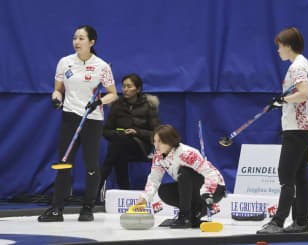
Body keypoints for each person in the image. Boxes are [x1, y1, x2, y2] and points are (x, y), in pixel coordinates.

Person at [38, 25, 118, 222]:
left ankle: (88, 208)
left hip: (91, 119)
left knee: (91, 164)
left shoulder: (102, 66)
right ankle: (57, 209)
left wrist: (99, 102)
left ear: (91, 42)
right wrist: (56, 98)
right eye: (75, 38)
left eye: (81, 38)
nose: (76, 42)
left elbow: (113, 94)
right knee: (64, 163)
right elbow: (57, 89)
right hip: (70, 118)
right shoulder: (65, 63)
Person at [257, 27, 308, 233]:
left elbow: (304, 93)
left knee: (286, 175)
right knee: (299, 176)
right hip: (304, 129)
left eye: (280, 46)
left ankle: (277, 222)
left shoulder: (297, 67)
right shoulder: (303, 64)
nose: (278, 50)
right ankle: (301, 223)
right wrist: (282, 101)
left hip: (297, 129)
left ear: (289, 46)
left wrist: (282, 99)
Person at [136, 124, 226, 228]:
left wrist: (207, 192)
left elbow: (211, 174)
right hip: (195, 188)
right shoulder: (159, 156)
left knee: (184, 172)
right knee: (164, 191)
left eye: (160, 142)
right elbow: (154, 179)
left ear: (170, 140)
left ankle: (185, 216)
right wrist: (145, 198)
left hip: (215, 188)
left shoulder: (186, 153)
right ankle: (193, 216)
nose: (156, 146)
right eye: (154, 141)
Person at [99, 73, 160, 190]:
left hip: (140, 147)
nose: (125, 89)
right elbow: (106, 131)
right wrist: (118, 134)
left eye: (129, 86)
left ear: (138, 89)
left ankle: (96, 189)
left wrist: (136, 132)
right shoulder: (116, 105)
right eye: (123, 86)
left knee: (115, 151)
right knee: (119, 148)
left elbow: (157, 134)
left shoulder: (148, 106)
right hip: (120, 145)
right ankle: (124, 190)